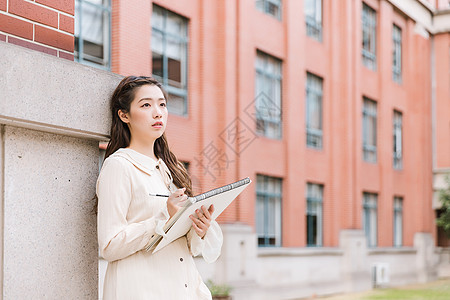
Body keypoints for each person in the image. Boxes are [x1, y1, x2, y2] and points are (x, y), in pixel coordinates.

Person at [96, 76, 223, 299]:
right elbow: (109, 245)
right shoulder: (119, 165)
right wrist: (163, 218)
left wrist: (199, 229)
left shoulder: (171, 170)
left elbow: (189, 247)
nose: (158, 112)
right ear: (124, 115)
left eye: (162, 104)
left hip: (183, 289)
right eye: (146, 105)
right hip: (142, 289)